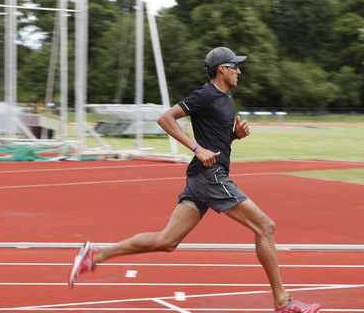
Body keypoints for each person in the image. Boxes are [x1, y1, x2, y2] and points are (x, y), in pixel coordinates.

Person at [68, 47, 321, 313]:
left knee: (167, 241)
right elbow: (165, 118)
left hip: (202, 178)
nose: (239, 71)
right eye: (235, 66)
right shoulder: (206, 94)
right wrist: (195, 148)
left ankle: (97, 254)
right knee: (265, 227)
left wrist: (234, 136)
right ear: (222, 69)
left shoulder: (226, 97)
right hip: (211, 177)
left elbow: (214, 139)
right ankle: (282, 301)